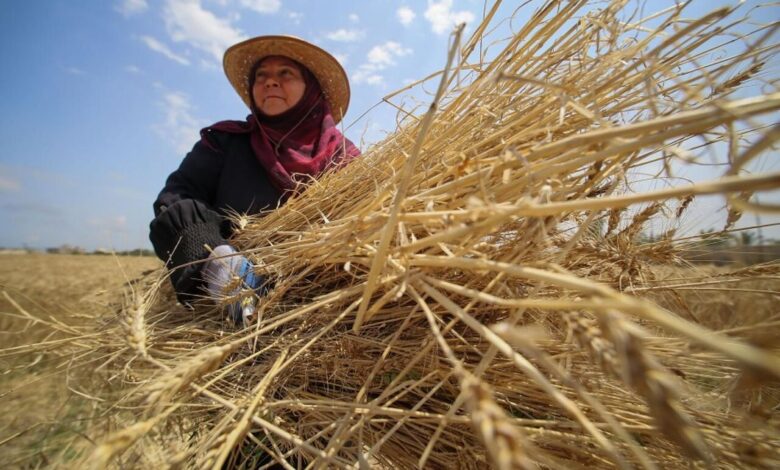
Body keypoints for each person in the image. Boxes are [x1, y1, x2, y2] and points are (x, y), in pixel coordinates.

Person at [149, 36, 361, 324]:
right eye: (261, 76)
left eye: (285, 73)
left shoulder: (344, 158)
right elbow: (177, 197)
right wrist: (216, 259)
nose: (270, 82)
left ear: (311, 89)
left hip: (322, 309)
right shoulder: (225, 143)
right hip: (231, 306)